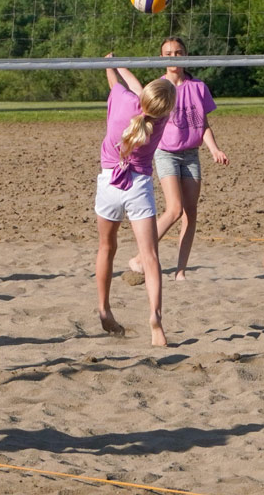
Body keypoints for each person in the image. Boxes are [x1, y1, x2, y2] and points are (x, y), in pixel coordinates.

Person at [128, 37, 228, 280]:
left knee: (190, 213)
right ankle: (141, 257)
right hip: (166, 154)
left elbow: (202, 124)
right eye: (168, 53)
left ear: (186, 55)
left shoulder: (198, 87)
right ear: (162, 58)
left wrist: (214, 149)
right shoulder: (159, 88)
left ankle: (180, 271)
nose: (174, 57)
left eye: (178, 52)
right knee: (174, 209)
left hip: (191, 155)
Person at [96, 55, 177, 346]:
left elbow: (120, 84)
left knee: (107, 247)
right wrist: (120, 66)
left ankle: (104, 308)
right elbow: (140, 91)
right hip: (138, 186)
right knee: (151, 257)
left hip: (109, 182)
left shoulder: (122, 101)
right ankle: (156, 319)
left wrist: (111, 64)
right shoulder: (161, 119)